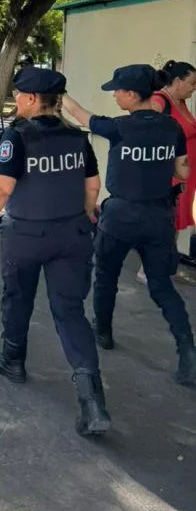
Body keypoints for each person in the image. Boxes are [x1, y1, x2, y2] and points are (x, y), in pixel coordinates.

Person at [0, 67, 110, 437]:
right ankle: (92, 400)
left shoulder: (17, 137)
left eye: (18, 95)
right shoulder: (78, 138)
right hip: (73, 234)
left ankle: (13, 360)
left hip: (26, 236)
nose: (16, 102)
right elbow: (93, 187)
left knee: (17, 298)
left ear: (31, 99)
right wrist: (84, 213)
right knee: (70, 312)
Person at [64, 64, 196, 387]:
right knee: (162, 286)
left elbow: (81, 115)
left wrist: (61, 94)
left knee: (107, 275)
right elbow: (182, 173)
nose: (114, 94)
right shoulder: (172, 128)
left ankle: (104, 331)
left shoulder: (120, 127)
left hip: (120, 217)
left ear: (133, 95)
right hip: (159, 218)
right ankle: (188, 351)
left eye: (118, 90)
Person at [152, 59, 196, 239]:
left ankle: (167, 263)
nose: (194, 88)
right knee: (163, 225)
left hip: (185, 175)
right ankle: (148, 267)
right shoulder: (159, 100)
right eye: (192, 83)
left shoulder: (181, 102)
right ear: (178, 81)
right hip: (171, 175)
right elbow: (146, 131)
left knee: (174, 226)